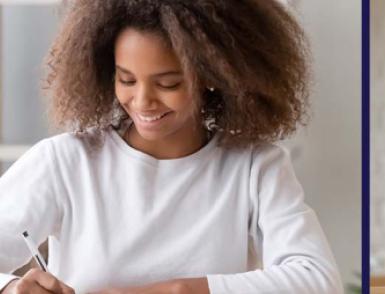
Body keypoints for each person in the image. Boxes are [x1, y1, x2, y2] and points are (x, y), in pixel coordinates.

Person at [0, 1, 341, 293]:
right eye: (126, 79)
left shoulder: (255, 166)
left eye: (168, 83)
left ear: (211, 75)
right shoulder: (66, 160)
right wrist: (13, 287)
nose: (143, 101)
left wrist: (180, 289)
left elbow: (318, 279)